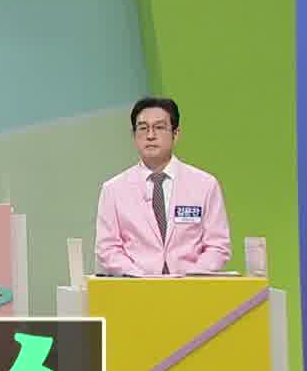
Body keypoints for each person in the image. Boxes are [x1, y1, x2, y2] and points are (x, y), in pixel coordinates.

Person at [96, 97, 231, 276]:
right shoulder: (113, 190)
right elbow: (108, 248)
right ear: (134, 135)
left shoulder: (205, 185)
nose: (150, 135)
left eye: (159, 127)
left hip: (192, 286)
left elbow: (218, 246)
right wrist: (140, 279)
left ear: (176, 133)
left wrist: (190, 279)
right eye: (143, 128)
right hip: (135, 286)